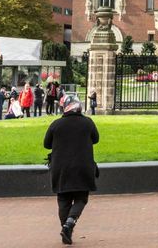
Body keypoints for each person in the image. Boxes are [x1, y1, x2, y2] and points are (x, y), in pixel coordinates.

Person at [44, 94, 99, 245]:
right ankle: (69, 224)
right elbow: (96, 139)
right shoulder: (87, 122)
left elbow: (46, 144)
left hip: (61, 168)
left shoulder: (56, 124)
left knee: (63, 199)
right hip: (82, 167)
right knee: (81, 198)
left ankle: (65, 228)